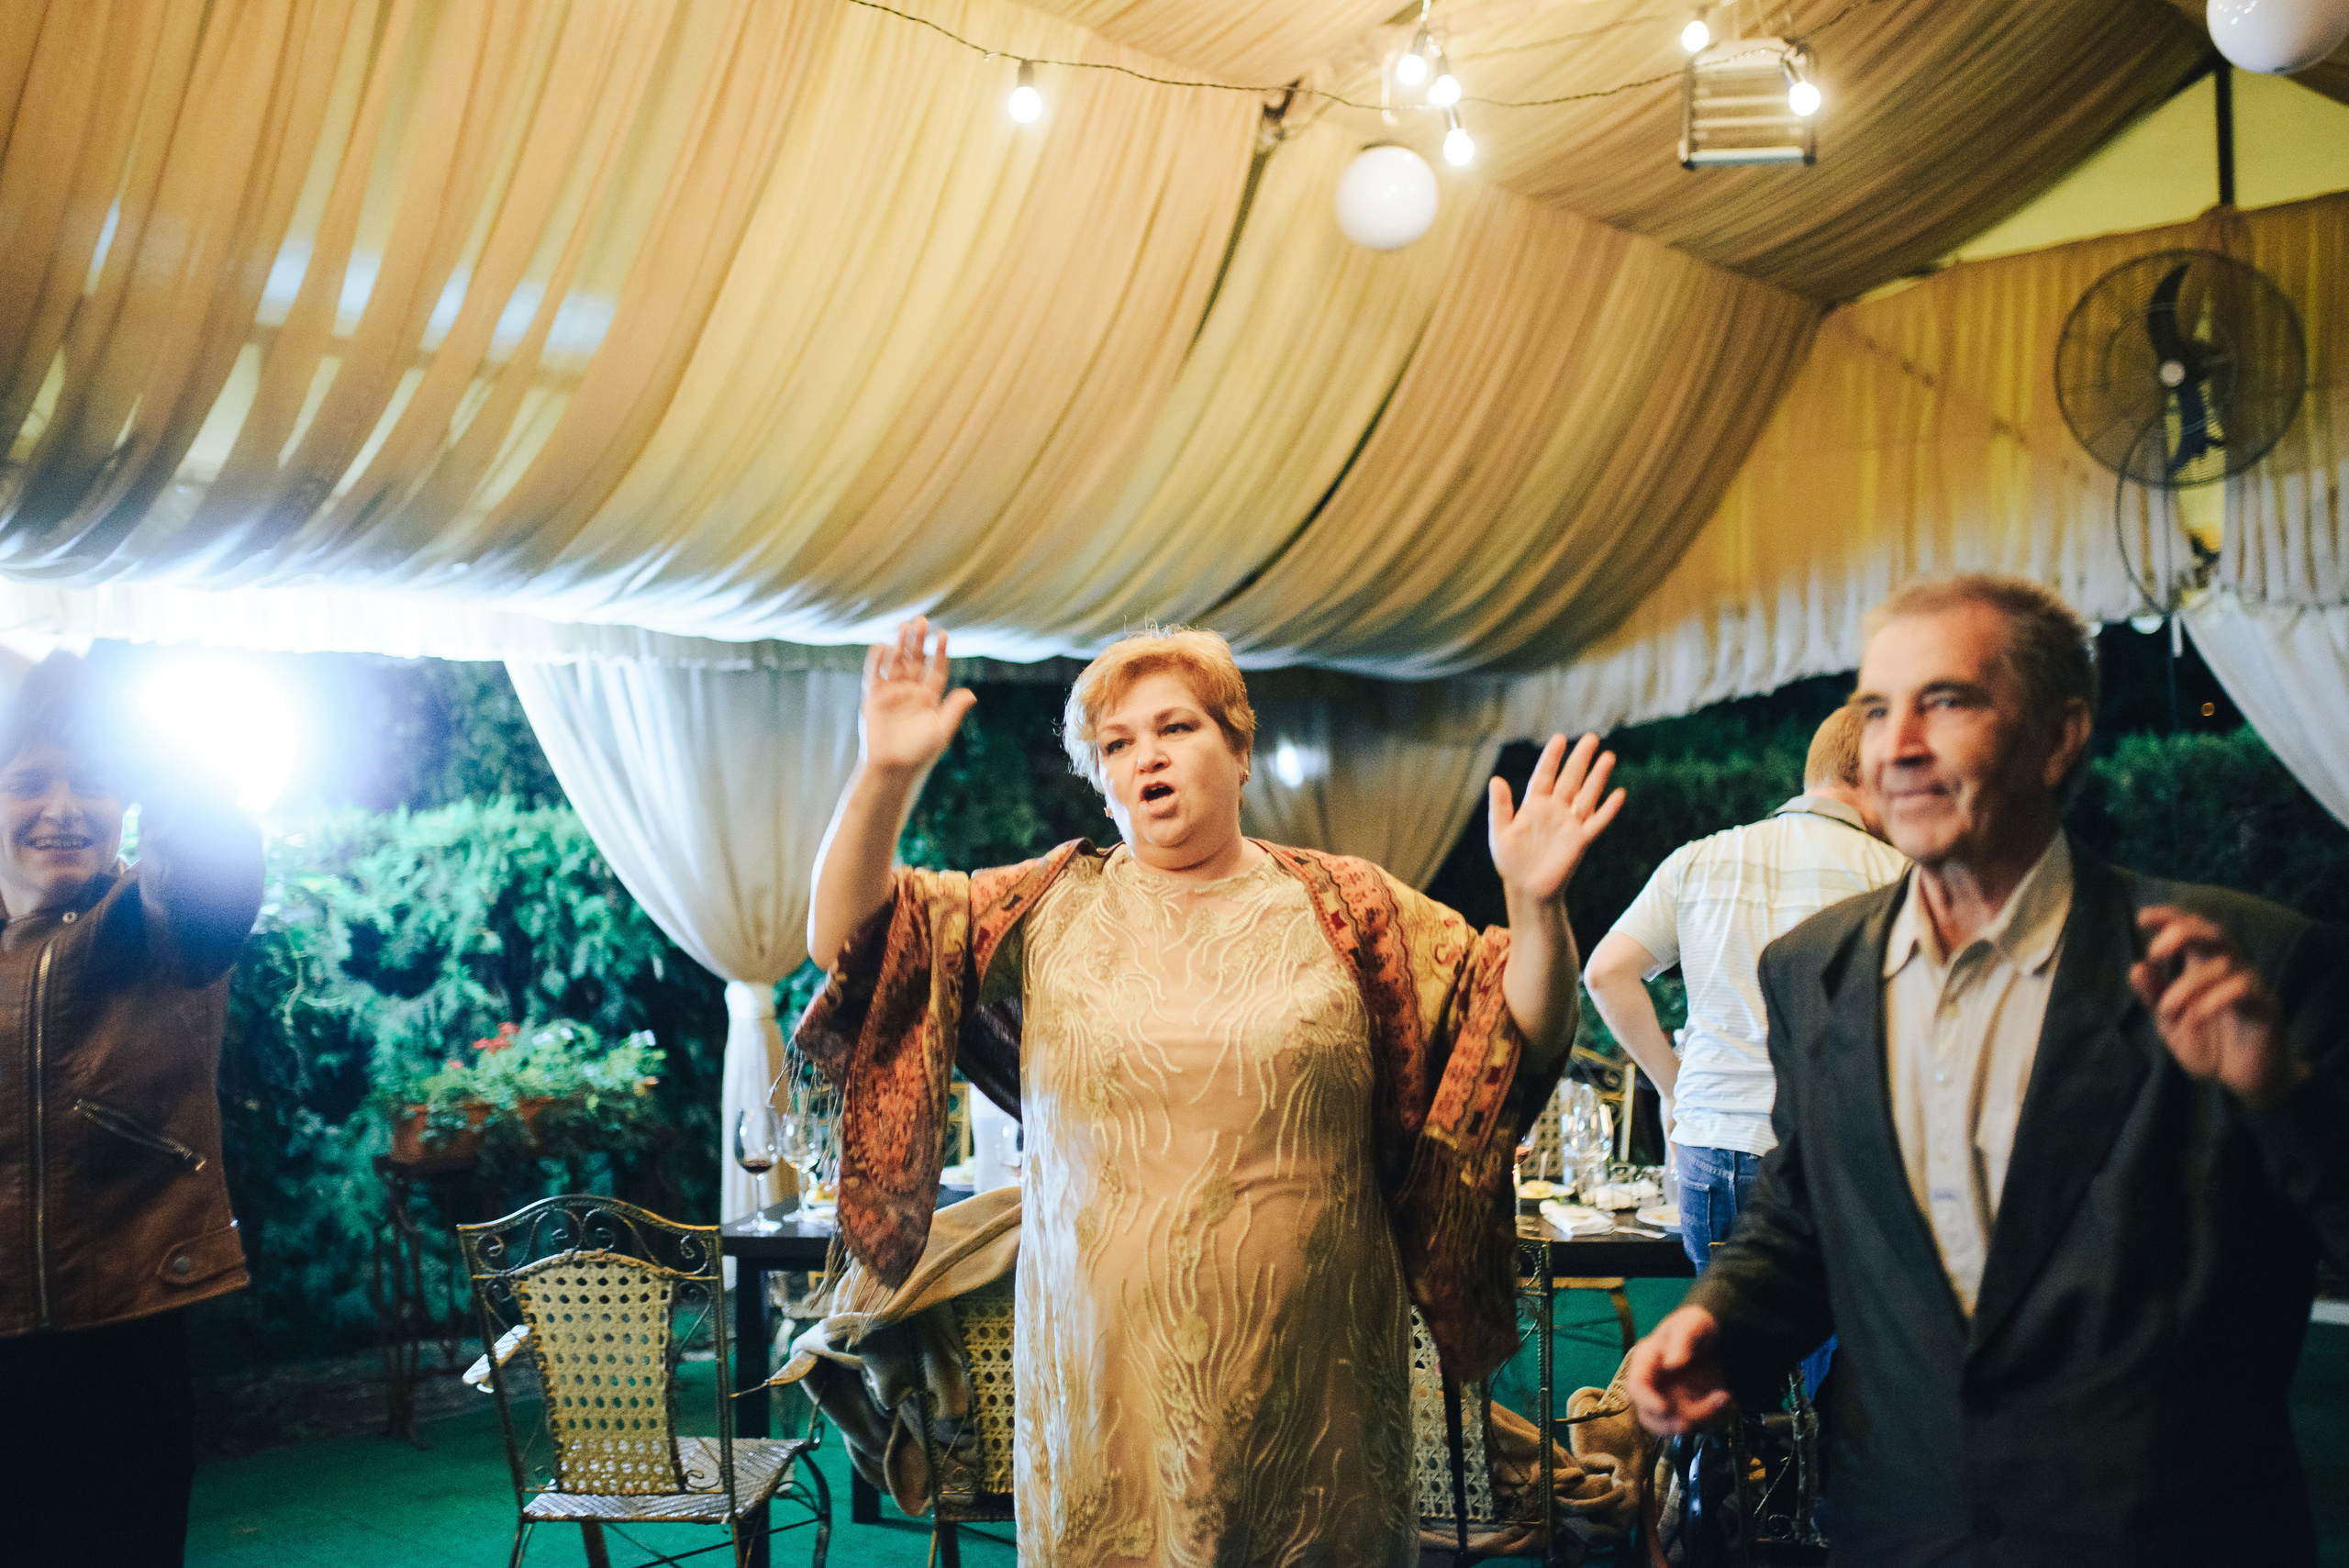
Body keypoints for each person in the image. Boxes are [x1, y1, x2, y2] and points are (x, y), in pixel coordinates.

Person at [796, 618, 1622, 1567]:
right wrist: (884, 776)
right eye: (1117, 743)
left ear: (1238, 750)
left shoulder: (1350, 906)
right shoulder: (1046, 905)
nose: (1146, 756)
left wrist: (1536, 906)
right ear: (1102, 779)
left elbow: (1518, 1028)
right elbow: (848, 943)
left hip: (1314, 1383)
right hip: (1107, 1384)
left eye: (1176, 726)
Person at [1621, 574, 2349, 1565]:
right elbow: (1804, 1221)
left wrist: (2280, 1097)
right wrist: (1718, 1323)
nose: (1898, 743)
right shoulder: (1812, 971)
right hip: (1897, 1531)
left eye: (1946, 701)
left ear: (2059, 737)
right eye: (1880, 708)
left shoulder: (2256, 964)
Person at [0, 652, 264, 1567]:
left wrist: (148, 736)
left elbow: (213, 869)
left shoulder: (162, 923)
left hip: (125, 1342)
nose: (62, 807)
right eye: (28, 782)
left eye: (93, 782)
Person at [1584, 704, 1906, 1297]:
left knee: (1727, 1342)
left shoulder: (1699, 859)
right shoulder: (1898, 876)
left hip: (1712, 1144)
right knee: (1831, 1352)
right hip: (1832, 1150)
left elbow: (1605, 973)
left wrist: (1674, 1086)